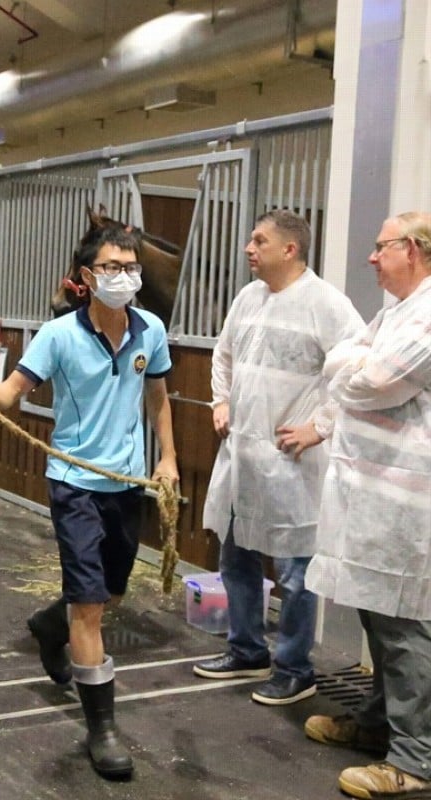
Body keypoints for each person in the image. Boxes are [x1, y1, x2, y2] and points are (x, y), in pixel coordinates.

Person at [0, 223, 177, 780]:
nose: (124, 276)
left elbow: (157, 396)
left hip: (126, 483)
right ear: (87, 277)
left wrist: (168, 459)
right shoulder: (57, 335)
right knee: (88, 605)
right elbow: (16, 389)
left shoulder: (150, 329)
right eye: (111, 267)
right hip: (75, 484)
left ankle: (46, 624)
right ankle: (101, 729)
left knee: (105, 595)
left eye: (131, 267)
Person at [193, 210, 363, 705]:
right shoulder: (248, 298)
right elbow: (222, 355)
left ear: (290, 249)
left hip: (291, 464)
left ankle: (295, 667)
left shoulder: (327, 305)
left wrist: (321, 427)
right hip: (242, 456)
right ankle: (246, 649)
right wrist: (220, 400)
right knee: (236, 555)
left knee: (296, 572)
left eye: (258, 240)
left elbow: (355, 375)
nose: (249, 247)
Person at [303, 211, 431, 799]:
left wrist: (352, 369)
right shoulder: (395, 312)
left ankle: (414, 761)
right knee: (379, 619)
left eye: (381, 248)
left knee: (406, 629)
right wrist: (352, 368)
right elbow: (347, 365)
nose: (373, 259)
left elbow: (373, 379)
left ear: (413, 248)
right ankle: (380, 726)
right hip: (373, 497)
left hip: (408, 504)